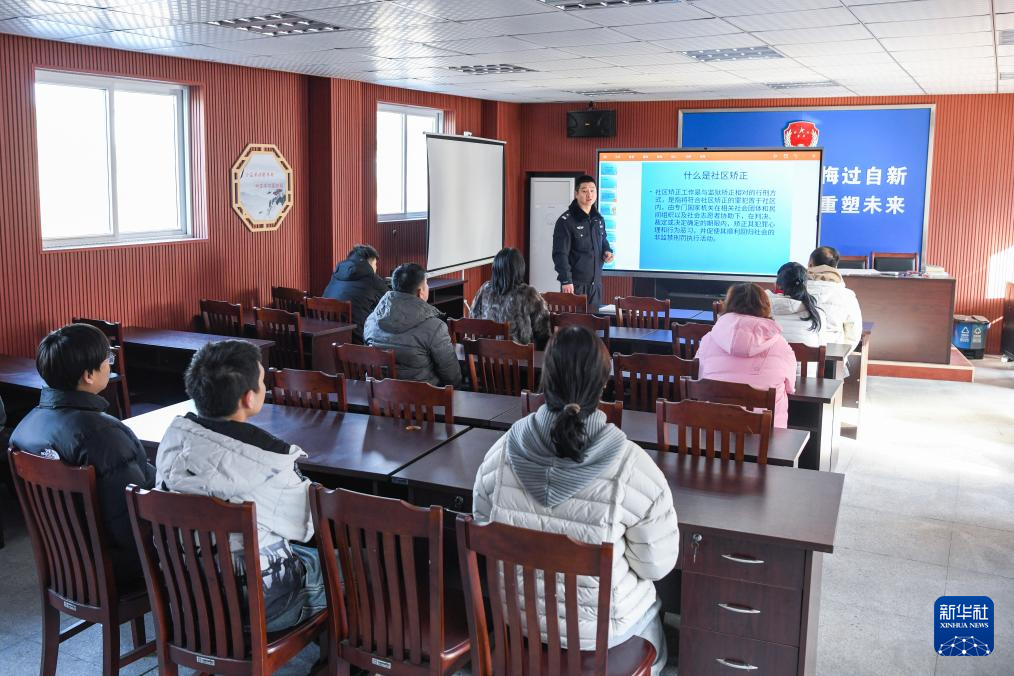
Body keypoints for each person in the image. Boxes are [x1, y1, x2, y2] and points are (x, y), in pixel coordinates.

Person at [473, 326, 678, 674]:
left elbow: (483, 529)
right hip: (602, 637)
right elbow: (656, 566)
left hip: (517, 624)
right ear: (602, 385)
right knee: (658, 628)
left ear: (545, 379)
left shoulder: (501, 452)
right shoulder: (632, 466)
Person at [156, 340, 324, 631]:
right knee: (351, 564)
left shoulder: (172, 442)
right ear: (249, 398)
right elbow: (309, 527)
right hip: (258, 605)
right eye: (262, 381)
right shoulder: (269, 463)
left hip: (190, 595)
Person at [10, 323, 156, 583]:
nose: (110, 365)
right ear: (88, 375)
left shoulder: (24, 428)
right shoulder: (103, 434)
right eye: (107, 359)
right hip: (116, 567)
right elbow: (130, 523)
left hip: (65, 563)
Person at [695, 283, 797, 428]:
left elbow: (699, 380)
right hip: (765, 435)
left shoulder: (708, 340)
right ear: (765, 306)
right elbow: (791, 387)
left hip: (713, 432)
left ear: (728, 304)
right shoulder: (780, 345)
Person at [364, 262, 462, 387]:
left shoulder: (371, 320)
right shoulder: (436, 327)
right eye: (426, 283)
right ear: (420, 292)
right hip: (423, 397)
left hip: (380, 395)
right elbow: (452, 377)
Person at [552, 175, 614, 310]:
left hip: (595, 285)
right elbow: (560, 254)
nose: (589, 194)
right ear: (576, 193)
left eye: (592, 190)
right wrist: (566, 280)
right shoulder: (566, 221)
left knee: (594, 322)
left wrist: (607, 251)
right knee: (574, 322)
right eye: (585, 191)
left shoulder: (598, 219)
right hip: (574, 285)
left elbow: (603, 240)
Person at [470, 247, 552, 349]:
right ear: (520, 268)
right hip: (520, 356)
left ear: (495, 268)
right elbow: (543, 334)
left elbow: (472, 320)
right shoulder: (529, 294)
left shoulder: (484, 289)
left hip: (486, 355)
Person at [322, 244, 390, 344]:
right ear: (370, 261)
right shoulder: (371, 278)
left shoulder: (336, 274)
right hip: (357, 338)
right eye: (375, 264)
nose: (376, 268)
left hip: (327, 335)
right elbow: (391, 302)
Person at [806, 246, 864, 348]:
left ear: (810, 264)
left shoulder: (795, 290)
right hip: (831, 353)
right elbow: (854, 333)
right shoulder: (847, 295)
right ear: (835, 267)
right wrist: (839, 354)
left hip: (796, 353)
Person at [768, 262, 825, 347]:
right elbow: (822, 345)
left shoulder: (760, 310)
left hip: (772, 355)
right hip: (806, 356)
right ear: (805, 285)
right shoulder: (818, 314)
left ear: (778, 285)